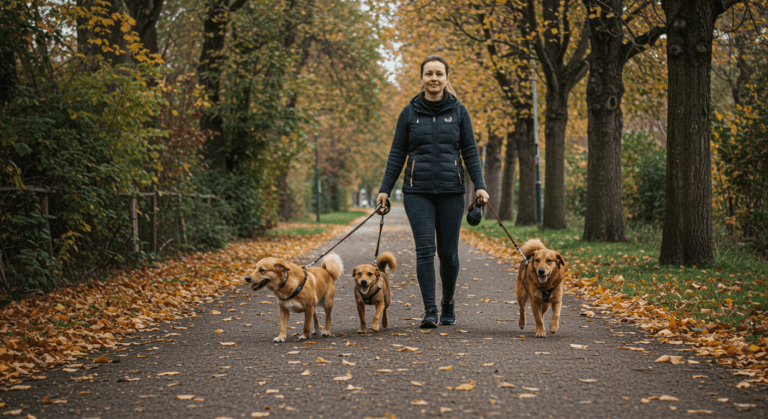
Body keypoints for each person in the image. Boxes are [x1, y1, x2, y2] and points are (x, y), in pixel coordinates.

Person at [376, 55, 489, 329]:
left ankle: (447, 302)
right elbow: (397, 153)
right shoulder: (409, 113)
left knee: (449, 253)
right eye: (429, 74)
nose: (434, 79)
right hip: (417, 192)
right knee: (425, 250)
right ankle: (429, 310)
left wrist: (481, 186)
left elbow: (470, 152)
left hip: (452, 191)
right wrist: (384, 190)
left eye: (439, 74)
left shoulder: (459, 112)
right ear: (422, 78)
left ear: (446, 78)